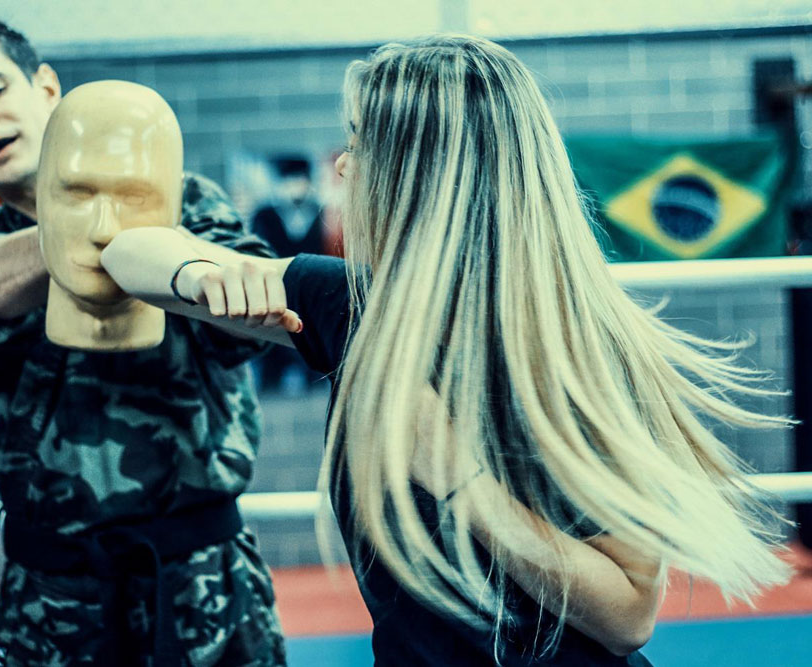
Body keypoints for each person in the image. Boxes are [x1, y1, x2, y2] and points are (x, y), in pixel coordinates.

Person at [100, 35, 793, 666]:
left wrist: (466, 484)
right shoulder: (354, 306)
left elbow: (629, 614)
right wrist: (203, 274)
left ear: (421, 173)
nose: (343, 165)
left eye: (360, 141)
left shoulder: (579, 350)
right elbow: (130, 253)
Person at [0, 14, 285, 667]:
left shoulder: (187, 202)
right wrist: (73, 226)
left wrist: (177, 256)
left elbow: (251, 320)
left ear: (46, 88)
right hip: (53, 589)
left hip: (200, 572)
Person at [250, 155, 325, 393]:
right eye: (290, 179)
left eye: (299, 179)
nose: (295, 185)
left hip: (314, 289)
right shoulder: (265, 215)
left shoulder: (323, 213)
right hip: (276, 287)